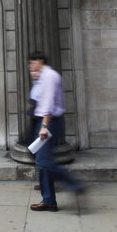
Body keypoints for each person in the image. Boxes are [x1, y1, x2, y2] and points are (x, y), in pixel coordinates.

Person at [28, 51, 84, 212]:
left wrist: (44, 126)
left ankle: (74, 184)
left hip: (49, 122)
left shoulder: (50, 76)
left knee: (43, 162)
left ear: (40, 61)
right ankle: (49, 200)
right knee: (42, 161)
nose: (31, 67)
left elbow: (48, 103)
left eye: (32, 63)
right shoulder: (42, 76)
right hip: (44, 121)